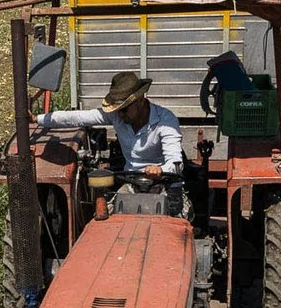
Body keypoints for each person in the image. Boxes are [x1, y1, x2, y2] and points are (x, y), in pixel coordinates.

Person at [39, 71, 185, 215]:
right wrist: (38, 119)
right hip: (131, 182)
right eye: (117, 110)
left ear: (140, 100)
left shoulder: (166, 120)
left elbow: (175, 162)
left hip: (166, 183)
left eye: (124, 109)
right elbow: (76, 117)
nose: (120, 115)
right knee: (108, 219)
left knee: (176, 221)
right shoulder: (117, 116)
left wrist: (160, 170)